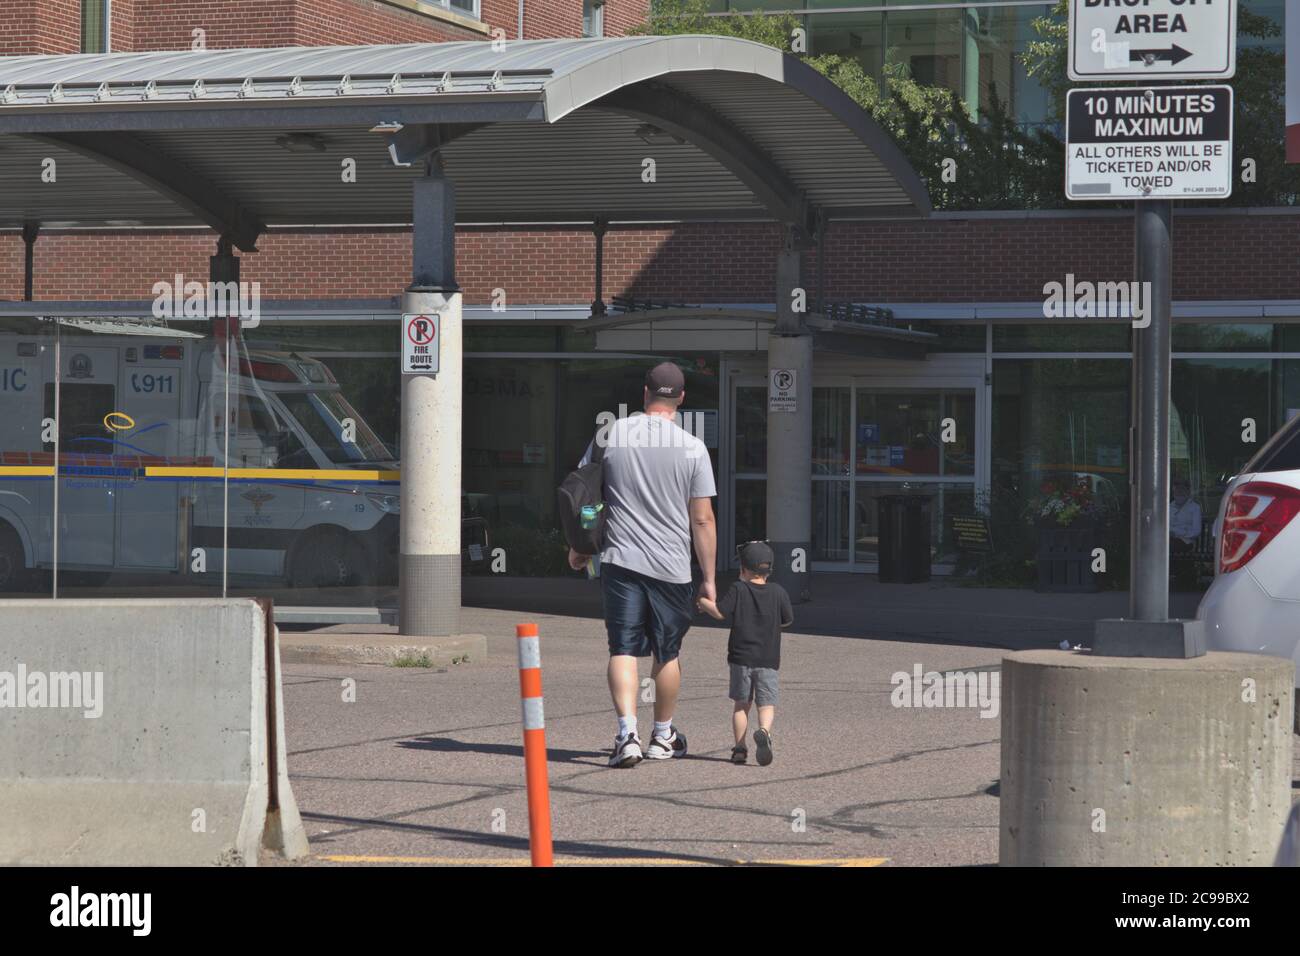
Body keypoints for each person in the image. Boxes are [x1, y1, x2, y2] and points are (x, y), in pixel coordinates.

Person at [569, 362, 717, 768]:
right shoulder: (693, 447)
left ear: (645, 393)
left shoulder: (610, 435)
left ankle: (626, 736)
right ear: (681, 398)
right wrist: (708, 579)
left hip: (619, 559)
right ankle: (663, 737)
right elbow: (702, 519)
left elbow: (584, 494)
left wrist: (580, 547)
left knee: (622, 648)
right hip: (672, 567)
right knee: (667, 654)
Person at [697, 541, 792, 767]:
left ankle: (740, 748)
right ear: (769, 569)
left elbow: (720, 612)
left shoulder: (738, 589)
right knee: (766, 704)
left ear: (744, 569)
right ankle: (764, 731)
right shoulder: (778, 592)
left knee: (741, 705)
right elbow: (787, 620)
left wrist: (703, 602)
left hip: (740, 658)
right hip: (768, 659)